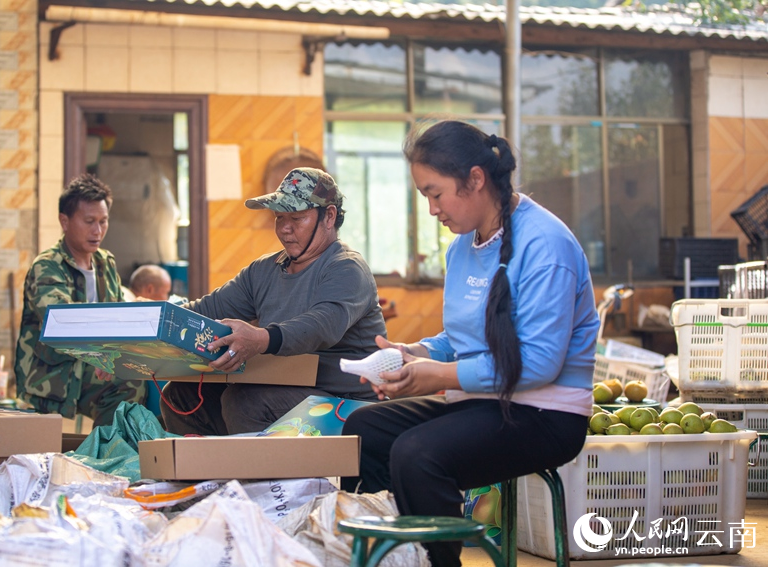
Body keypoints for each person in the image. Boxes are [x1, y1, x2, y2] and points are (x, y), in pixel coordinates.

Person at [341, 121, 600, 567]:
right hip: (481, 401)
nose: (431, 209)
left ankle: (440, 562)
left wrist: (436, 376)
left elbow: (540, 363)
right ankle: (397, 557)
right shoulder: (463, 247)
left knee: (417, 454)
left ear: (475, 179)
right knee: (364, 430)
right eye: (425, 196)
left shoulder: (546, 245)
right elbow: (461, 338)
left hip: (546, 415)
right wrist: (413, 356)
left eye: (435, 193)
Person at [160, 167, 387, 435]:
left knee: (246, 401)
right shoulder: (264, 270)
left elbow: (321, 326)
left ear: (329, 216)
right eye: (279, 217)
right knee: (179, 394)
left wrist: (261, 340)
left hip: (349, 406)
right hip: (284, 388)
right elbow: (207, 310)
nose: (285, 229)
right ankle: (211, 474)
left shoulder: (347, 268)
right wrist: (150, 324)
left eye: (297, 218)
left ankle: (258, 476)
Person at [14, 174, 146, 427]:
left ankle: (119, 452)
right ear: (65, 221)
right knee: (127, 383)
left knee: (150, 376)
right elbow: (63, 320)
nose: (97, 231)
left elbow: (120, 317)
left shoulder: (105, 262)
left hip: (95, 365)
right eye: (89, 222)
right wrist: (104, 355)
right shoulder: (48, 265)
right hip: (54, 374)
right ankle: (103, 457)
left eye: (103, 221)